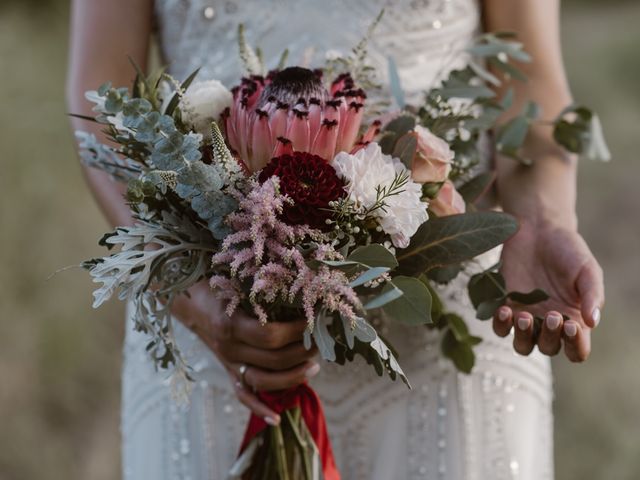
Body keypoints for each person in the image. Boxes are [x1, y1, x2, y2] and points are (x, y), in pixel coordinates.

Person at [67, 0, 605, 478]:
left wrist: (543, 221)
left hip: (441, 310)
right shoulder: (203, 301)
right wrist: (182, 285)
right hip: (217, 301)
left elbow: (529, 81)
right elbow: (101, 99)